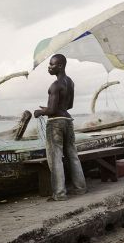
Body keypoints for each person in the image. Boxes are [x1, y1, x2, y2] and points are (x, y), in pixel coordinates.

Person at [34, 54, 86, 201]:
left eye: (52, 65)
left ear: (60, 66)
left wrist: (40, 112)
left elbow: (51, 111)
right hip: (68, 120)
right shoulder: (70, 82)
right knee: (72, 155)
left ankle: (59, 194)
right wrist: (51, 108)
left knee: (55, 158)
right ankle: (80, 188)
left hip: (56, 122)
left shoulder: (55, 86)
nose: (49, 67)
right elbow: (69, 105)